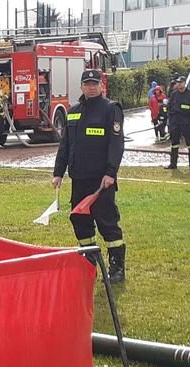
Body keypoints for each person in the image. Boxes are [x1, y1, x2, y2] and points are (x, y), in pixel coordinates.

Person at [52, 69, 126, 283]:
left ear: (101, 86)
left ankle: (117, 268)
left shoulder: (111, 109)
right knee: (79, 219)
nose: (91, 87)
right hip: (79, 178)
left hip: (101, 181)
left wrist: (111, 173)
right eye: (87, 83)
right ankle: (88, 260)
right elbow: (65, 145)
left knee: (107, 222)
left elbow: (116, 144)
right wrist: (58, 172)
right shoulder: (73, 111)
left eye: (95, 83)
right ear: (81, 86)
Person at [164, 75, 190, 170]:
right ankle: (173, 164)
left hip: (186, 123)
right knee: (174, 143)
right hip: (175, 124)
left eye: (180, 82)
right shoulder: (174, 94)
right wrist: (171, 119)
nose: (179, 84)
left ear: (184, 83)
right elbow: (168, 106)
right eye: (178, 82)